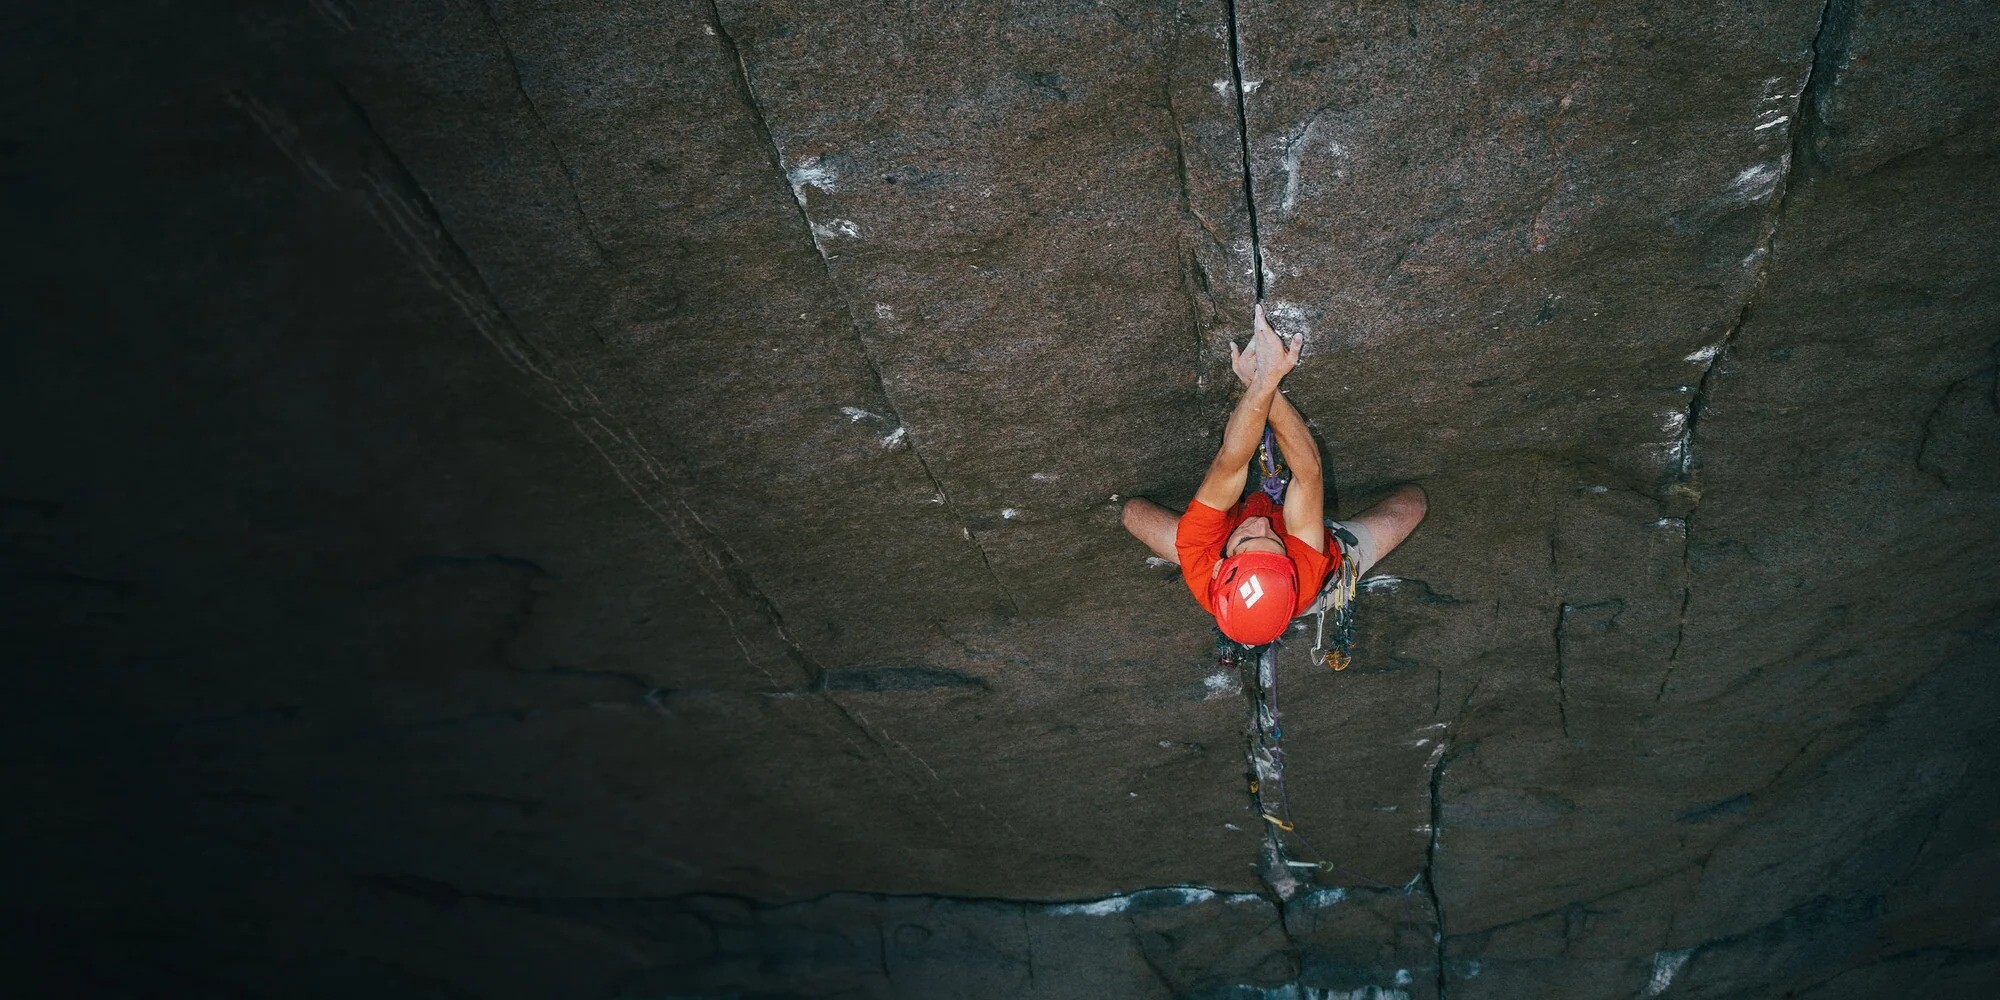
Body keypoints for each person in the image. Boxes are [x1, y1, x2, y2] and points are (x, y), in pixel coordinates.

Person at [1120, 305, 1428, 645]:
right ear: (1288, 567)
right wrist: (1268, 380)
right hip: (1315, 554)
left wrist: (1260, 383)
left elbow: (1231, 463)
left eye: (1249, 540)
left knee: (1134, 513)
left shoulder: (1204, 563)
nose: (1263, 526)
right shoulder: (1305, 573)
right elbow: (1308, 470)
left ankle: (1218, 556)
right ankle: (1261, 581)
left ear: (1221, 567)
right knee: (1414, 504)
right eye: (1273, 543)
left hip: (1214, 545)